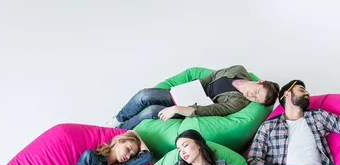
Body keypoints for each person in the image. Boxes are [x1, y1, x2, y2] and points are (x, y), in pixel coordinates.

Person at [105, 65, 280, 130]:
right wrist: (189, 87)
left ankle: (119, 130)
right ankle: (118, 119)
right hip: (188, 92)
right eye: (257, 92)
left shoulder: (239, 102)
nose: (252, 96)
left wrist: (178, 109)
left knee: (152, 111)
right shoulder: (238, 70)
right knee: (145, 94)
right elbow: (211, 78)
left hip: (191, 108)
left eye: (256, 100)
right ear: (260, 81)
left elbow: (212, 110)